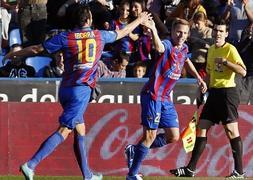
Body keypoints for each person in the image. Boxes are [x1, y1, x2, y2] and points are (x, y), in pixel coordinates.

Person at [3, 3, 151, 180]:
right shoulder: (99, 35)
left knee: (80, 130)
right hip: (80, 91)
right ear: (89, 19)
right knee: (65, 130)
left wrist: (13, 55)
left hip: (65, 88)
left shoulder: (65, 37)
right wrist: (140, 19)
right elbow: (123, 32)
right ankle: (31, 164)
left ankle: (87, 175)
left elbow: (36, 49)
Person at [124, 18, 207, 180]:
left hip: (166, 99)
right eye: (178, 32)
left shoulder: (184, 49)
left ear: (188, 34)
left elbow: (187, 60)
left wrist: (198, 77)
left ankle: (135, 150)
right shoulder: (168, 44)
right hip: (153, 95)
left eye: (184, 33)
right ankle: (132, 174)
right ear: (172, 32)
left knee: (173, 136)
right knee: (150, 136)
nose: (181, 36)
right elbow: (159, 47)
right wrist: (154, 30)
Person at [170, 18, 247, 178]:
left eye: (221, 31)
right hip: (213, 93)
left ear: (226, 34)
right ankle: (190, 169)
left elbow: (243, 71)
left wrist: (226, 62)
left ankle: (239, 171)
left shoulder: (230, 49)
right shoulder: (211, 49)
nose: (218, 33)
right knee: (202, 127)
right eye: (216, 30)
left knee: (231, 131)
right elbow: (210, 73)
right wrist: (202, 87)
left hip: (228, 93)